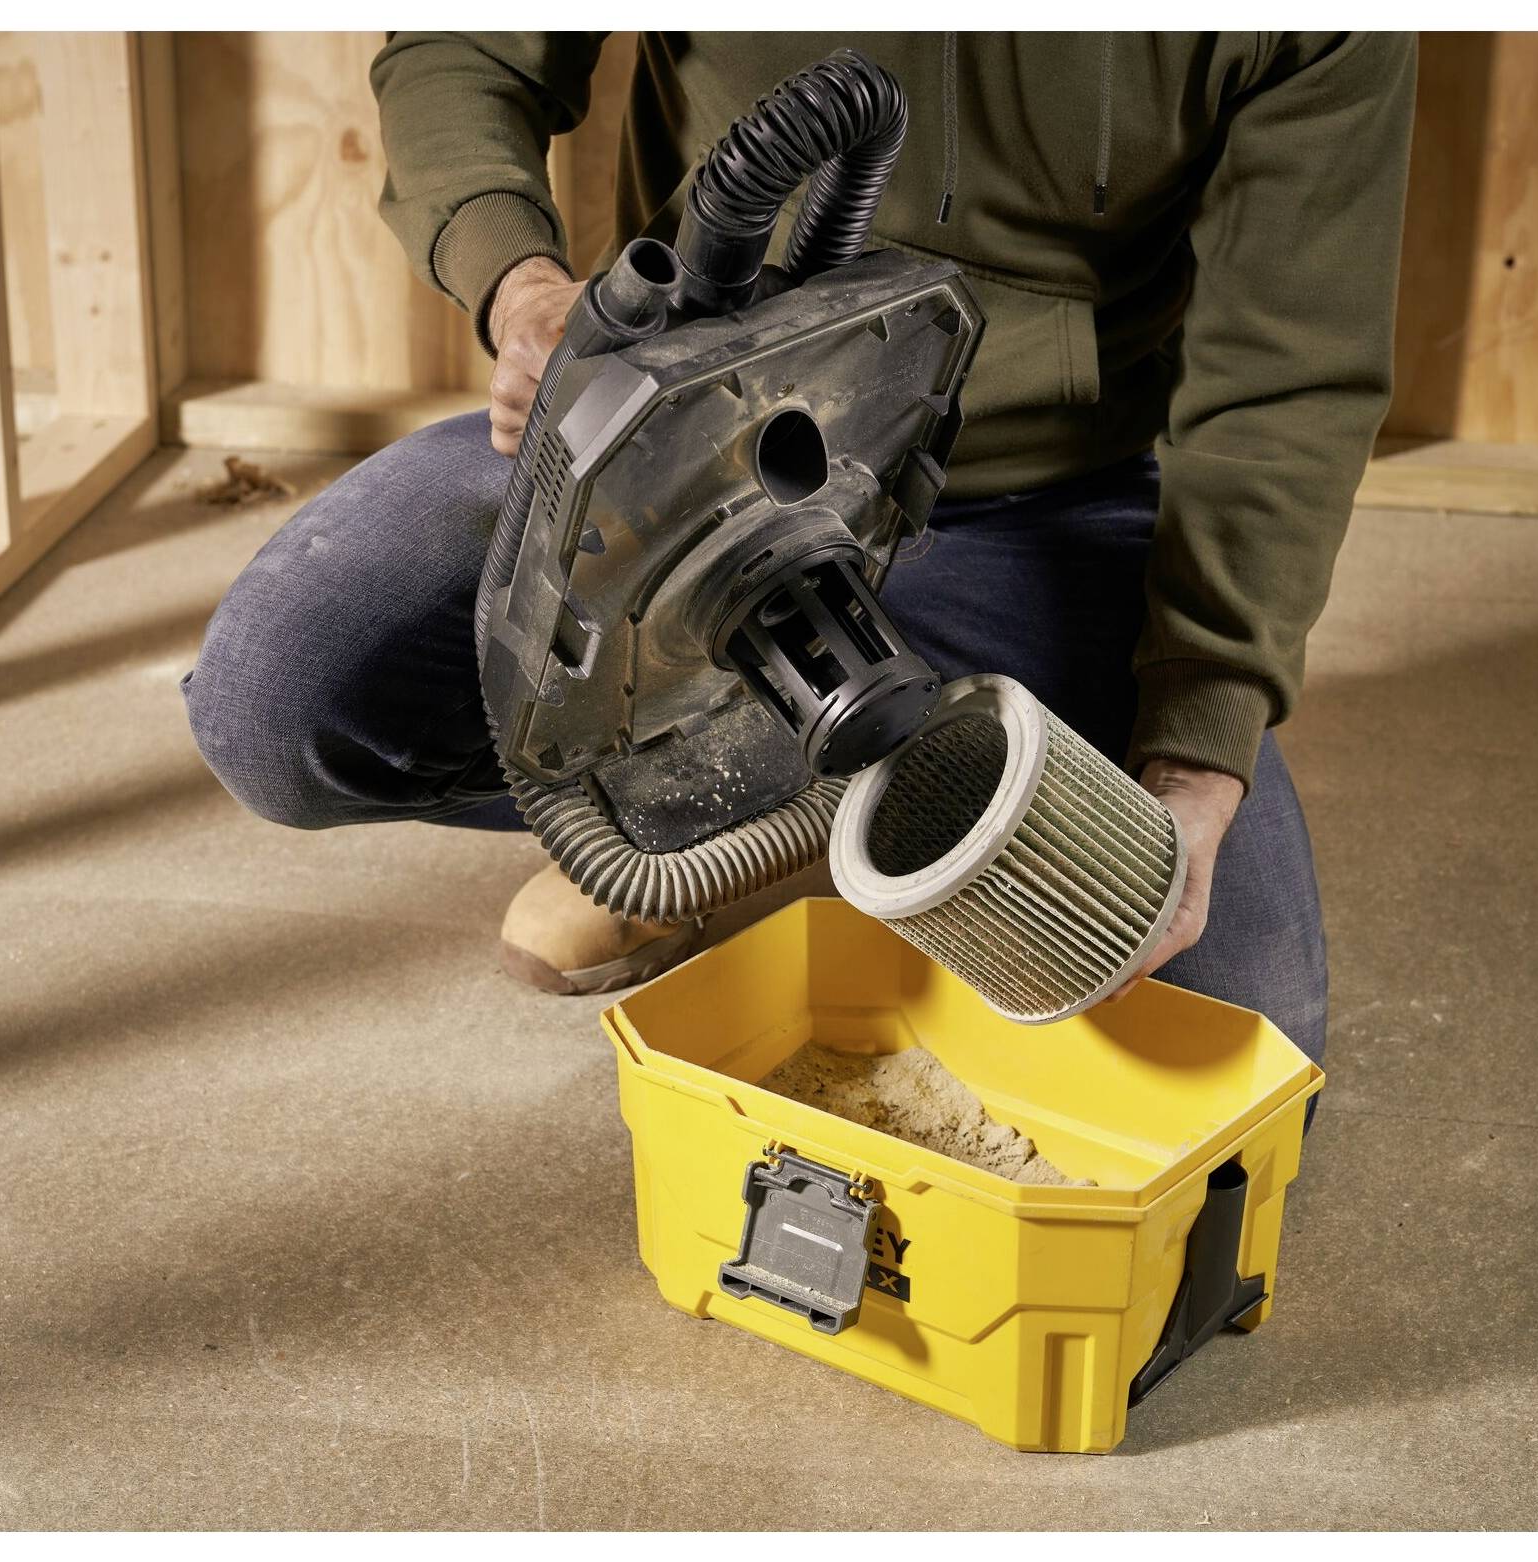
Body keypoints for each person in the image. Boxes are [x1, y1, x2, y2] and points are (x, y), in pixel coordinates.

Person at [182, 32, 1416, 1079]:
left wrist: (1199, 752)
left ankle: (784, 810)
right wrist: (529, 295)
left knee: (1240, 1044)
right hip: (681, 452)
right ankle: (677, 814)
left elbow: (1286, 384)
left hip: (1043, 499)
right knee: (283, 701)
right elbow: (460, 51)